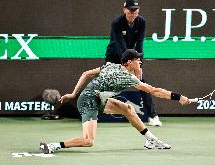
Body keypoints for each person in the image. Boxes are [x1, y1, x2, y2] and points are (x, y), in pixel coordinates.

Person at [40, 49, 191, 154]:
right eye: (138, 60)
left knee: (128, 109)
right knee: (88, 141)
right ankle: (54, 145)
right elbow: (154, 91)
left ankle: (151, 140)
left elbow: (86, 73)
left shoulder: (110, 65)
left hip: (97, 98)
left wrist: (73, 94)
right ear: (129, 62)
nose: (140, 62)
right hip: (89, 101)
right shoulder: (127, 77)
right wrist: (179, 97)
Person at [105, 0, 162, 126]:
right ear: (124, 10)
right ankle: (94, 114)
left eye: (136, 11)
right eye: (131, 11)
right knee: (105, 84)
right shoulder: (116, 23)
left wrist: (138, 65)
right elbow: (120, 45)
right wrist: (129, 65)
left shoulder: (141, 22)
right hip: (114, 56)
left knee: (142, 83)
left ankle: (153, 116)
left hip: (132, 56)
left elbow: (140, 44)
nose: (133, 14)